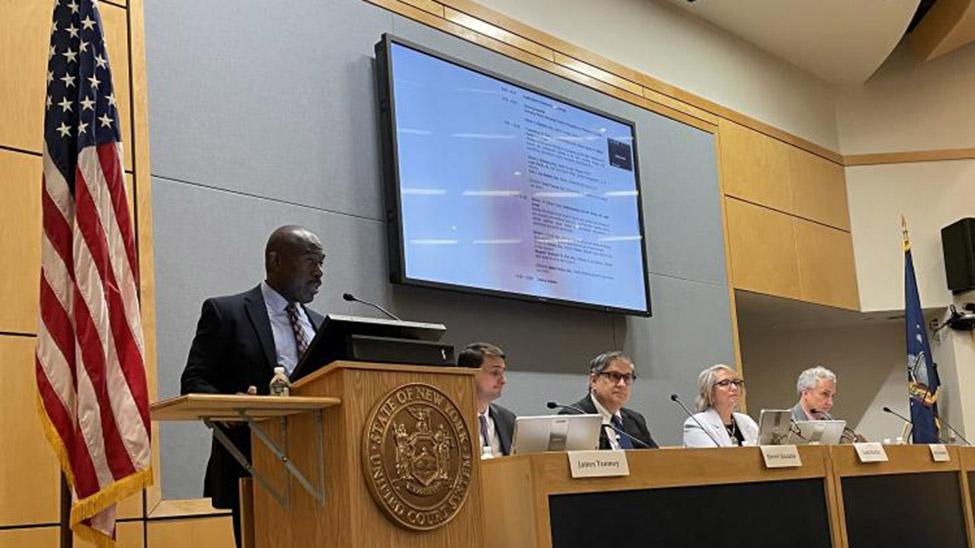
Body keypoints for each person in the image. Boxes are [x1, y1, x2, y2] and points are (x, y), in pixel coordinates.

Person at [180, 225, 325, 547]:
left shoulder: (321, 324)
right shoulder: (226, 312)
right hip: (253, 467)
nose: (319, 273)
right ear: (276, 260)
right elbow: (193, 380)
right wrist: (230, 404)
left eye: (322, 263)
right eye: (311, 261)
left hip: (320, 468)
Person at [560, 351, 658, 449]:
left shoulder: (635, 420)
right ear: (593, 381)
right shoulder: (574, 418)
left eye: (627, 377)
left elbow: (657, 459)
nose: (622, 384)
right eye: (614, 376)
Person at [457, 342, 516, 457]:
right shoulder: (449, 418)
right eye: (495, 373)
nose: (503, 380)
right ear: (468, 373)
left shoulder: (508, 419)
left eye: (503, 373)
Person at [683, 364, 758, 447]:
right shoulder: (696, 424)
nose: (734, 387)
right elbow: (713, 458)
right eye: (725, 383)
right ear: (710, 391)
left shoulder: (746, 421)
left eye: (736, 382)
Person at [791, 365, 864, 443]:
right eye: (824, 394)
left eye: (832, 396)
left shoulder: (831, 421)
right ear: (805, 393)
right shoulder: (787, 423)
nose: (830, 403)